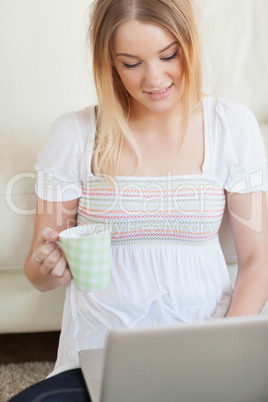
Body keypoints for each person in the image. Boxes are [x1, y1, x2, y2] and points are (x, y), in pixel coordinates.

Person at [10, 0, 268, 400]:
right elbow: (36, 272)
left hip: (204, 353)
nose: (155, 78)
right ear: (109, 63)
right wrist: (49, 268)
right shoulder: (74, 134)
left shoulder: (230, 125)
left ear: (190, 45)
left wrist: (223, 351)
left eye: (168, 55)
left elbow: (257, 260)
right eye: (131, 63)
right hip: (100, 358)